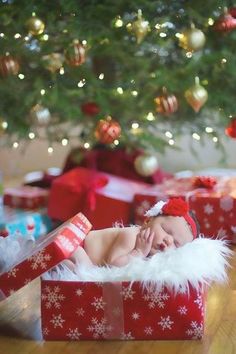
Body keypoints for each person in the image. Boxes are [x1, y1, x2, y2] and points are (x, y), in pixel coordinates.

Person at [65, 198, 199, 270]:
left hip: (88, 259)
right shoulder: (132, 237)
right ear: (148, 221)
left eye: (176, 244)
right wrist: (138, 253)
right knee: (83, 268)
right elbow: (112, 266)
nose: (168, 240)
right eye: (166, 230)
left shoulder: (152, 254)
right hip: (78, 246)